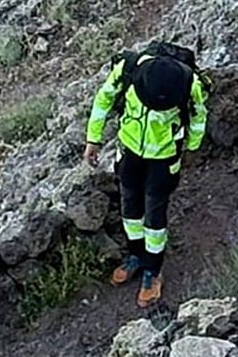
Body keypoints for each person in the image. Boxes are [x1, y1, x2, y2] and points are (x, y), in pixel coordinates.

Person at [84, 44, 209, 307]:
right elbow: (104, 98)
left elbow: (198, 117)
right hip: (129, 152)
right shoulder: (128, 69)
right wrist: (92, 138)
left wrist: (193, 148)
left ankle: (153, 270)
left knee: (154, 216)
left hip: (164, 159)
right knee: (130, 208)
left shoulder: (191, 84)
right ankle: (136, 256)